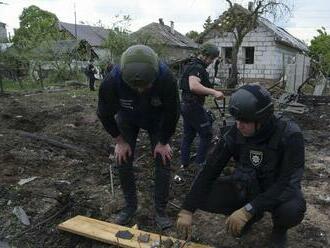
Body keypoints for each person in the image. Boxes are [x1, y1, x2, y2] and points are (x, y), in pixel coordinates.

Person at [176, 84, 306, 248]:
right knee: (205, 194)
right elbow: (210, 170)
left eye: (245, 121)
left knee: (292, 210)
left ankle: (279, 229)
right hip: (248, 185)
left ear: (262, 119)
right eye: (237, 120)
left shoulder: (289, 134)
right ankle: (252, 217)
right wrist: (187, 209)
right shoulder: (235, 133)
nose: (239, 125)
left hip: (277, 190)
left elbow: (288, 182)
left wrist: (248, 209)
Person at [97, 45, 180, 229]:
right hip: (127, 117)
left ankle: (160, 211)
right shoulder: (111, 81)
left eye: (146, 86)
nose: (141, 90)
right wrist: (119, 141)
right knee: (122, 158)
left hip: (157, 119)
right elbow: (104, 113)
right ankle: (130, 206)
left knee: (163, 159)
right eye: (136, 87)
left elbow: (173, 112)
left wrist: (164, 141)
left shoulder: (166, 78)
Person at [179, 42, 224, 169]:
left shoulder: (191, 65)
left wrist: (212, 88)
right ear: (205, 55)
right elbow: (194, 86)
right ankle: (201, 164)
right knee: (206, 134)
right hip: (193, 105)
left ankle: (184, 163)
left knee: (189, 134)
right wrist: (213, 92)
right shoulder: (197, 67)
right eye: (211, 58)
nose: (211, 61)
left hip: (186, 104)